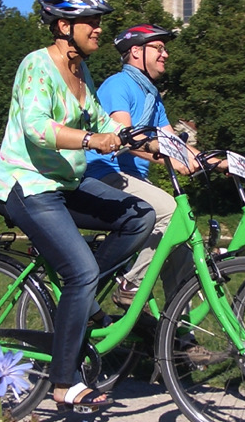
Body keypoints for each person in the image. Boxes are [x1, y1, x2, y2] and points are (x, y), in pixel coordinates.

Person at [0, 0, 156, 412]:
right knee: (80, 271)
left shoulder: (83, 75)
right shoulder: (36, 66)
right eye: (92, 23)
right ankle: (63, 384)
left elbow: (105, 123)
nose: (100, 30)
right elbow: (36, 127)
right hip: (26, 185)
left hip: (63, 184)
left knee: (140, 215)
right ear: (65, 27)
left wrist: (155, 146)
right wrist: (90, 139)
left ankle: (81, 300)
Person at [85, 24, 198, 307]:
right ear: (136, 51)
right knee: (171, 213)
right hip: (105, 174)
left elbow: (171, 140)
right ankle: (130, 286)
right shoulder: (117, 85)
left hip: (133, 181)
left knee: (181, 240)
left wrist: (216, 160)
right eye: (158, 48)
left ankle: (178, 336)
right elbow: (126, 138)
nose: (166, 54)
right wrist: (171, 157)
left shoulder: (153, 96)